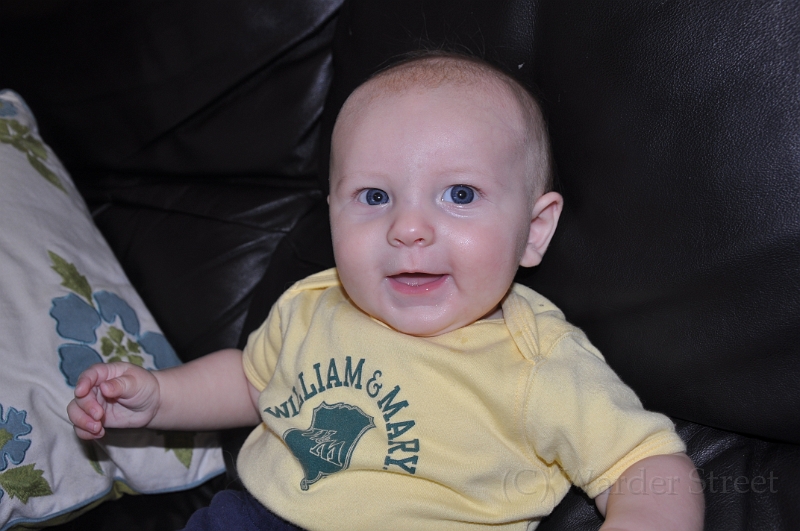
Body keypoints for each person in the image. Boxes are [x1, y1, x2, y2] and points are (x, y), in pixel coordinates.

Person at [68, 53, 704, 530]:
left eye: (460, 194)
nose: (408, 228)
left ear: (534, 231)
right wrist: (160, 397)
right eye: (374, 196)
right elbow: (250, 380)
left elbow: (647, 466)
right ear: (332, 216)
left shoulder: (537, 360)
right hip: (256, 517)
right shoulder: (312, 304)